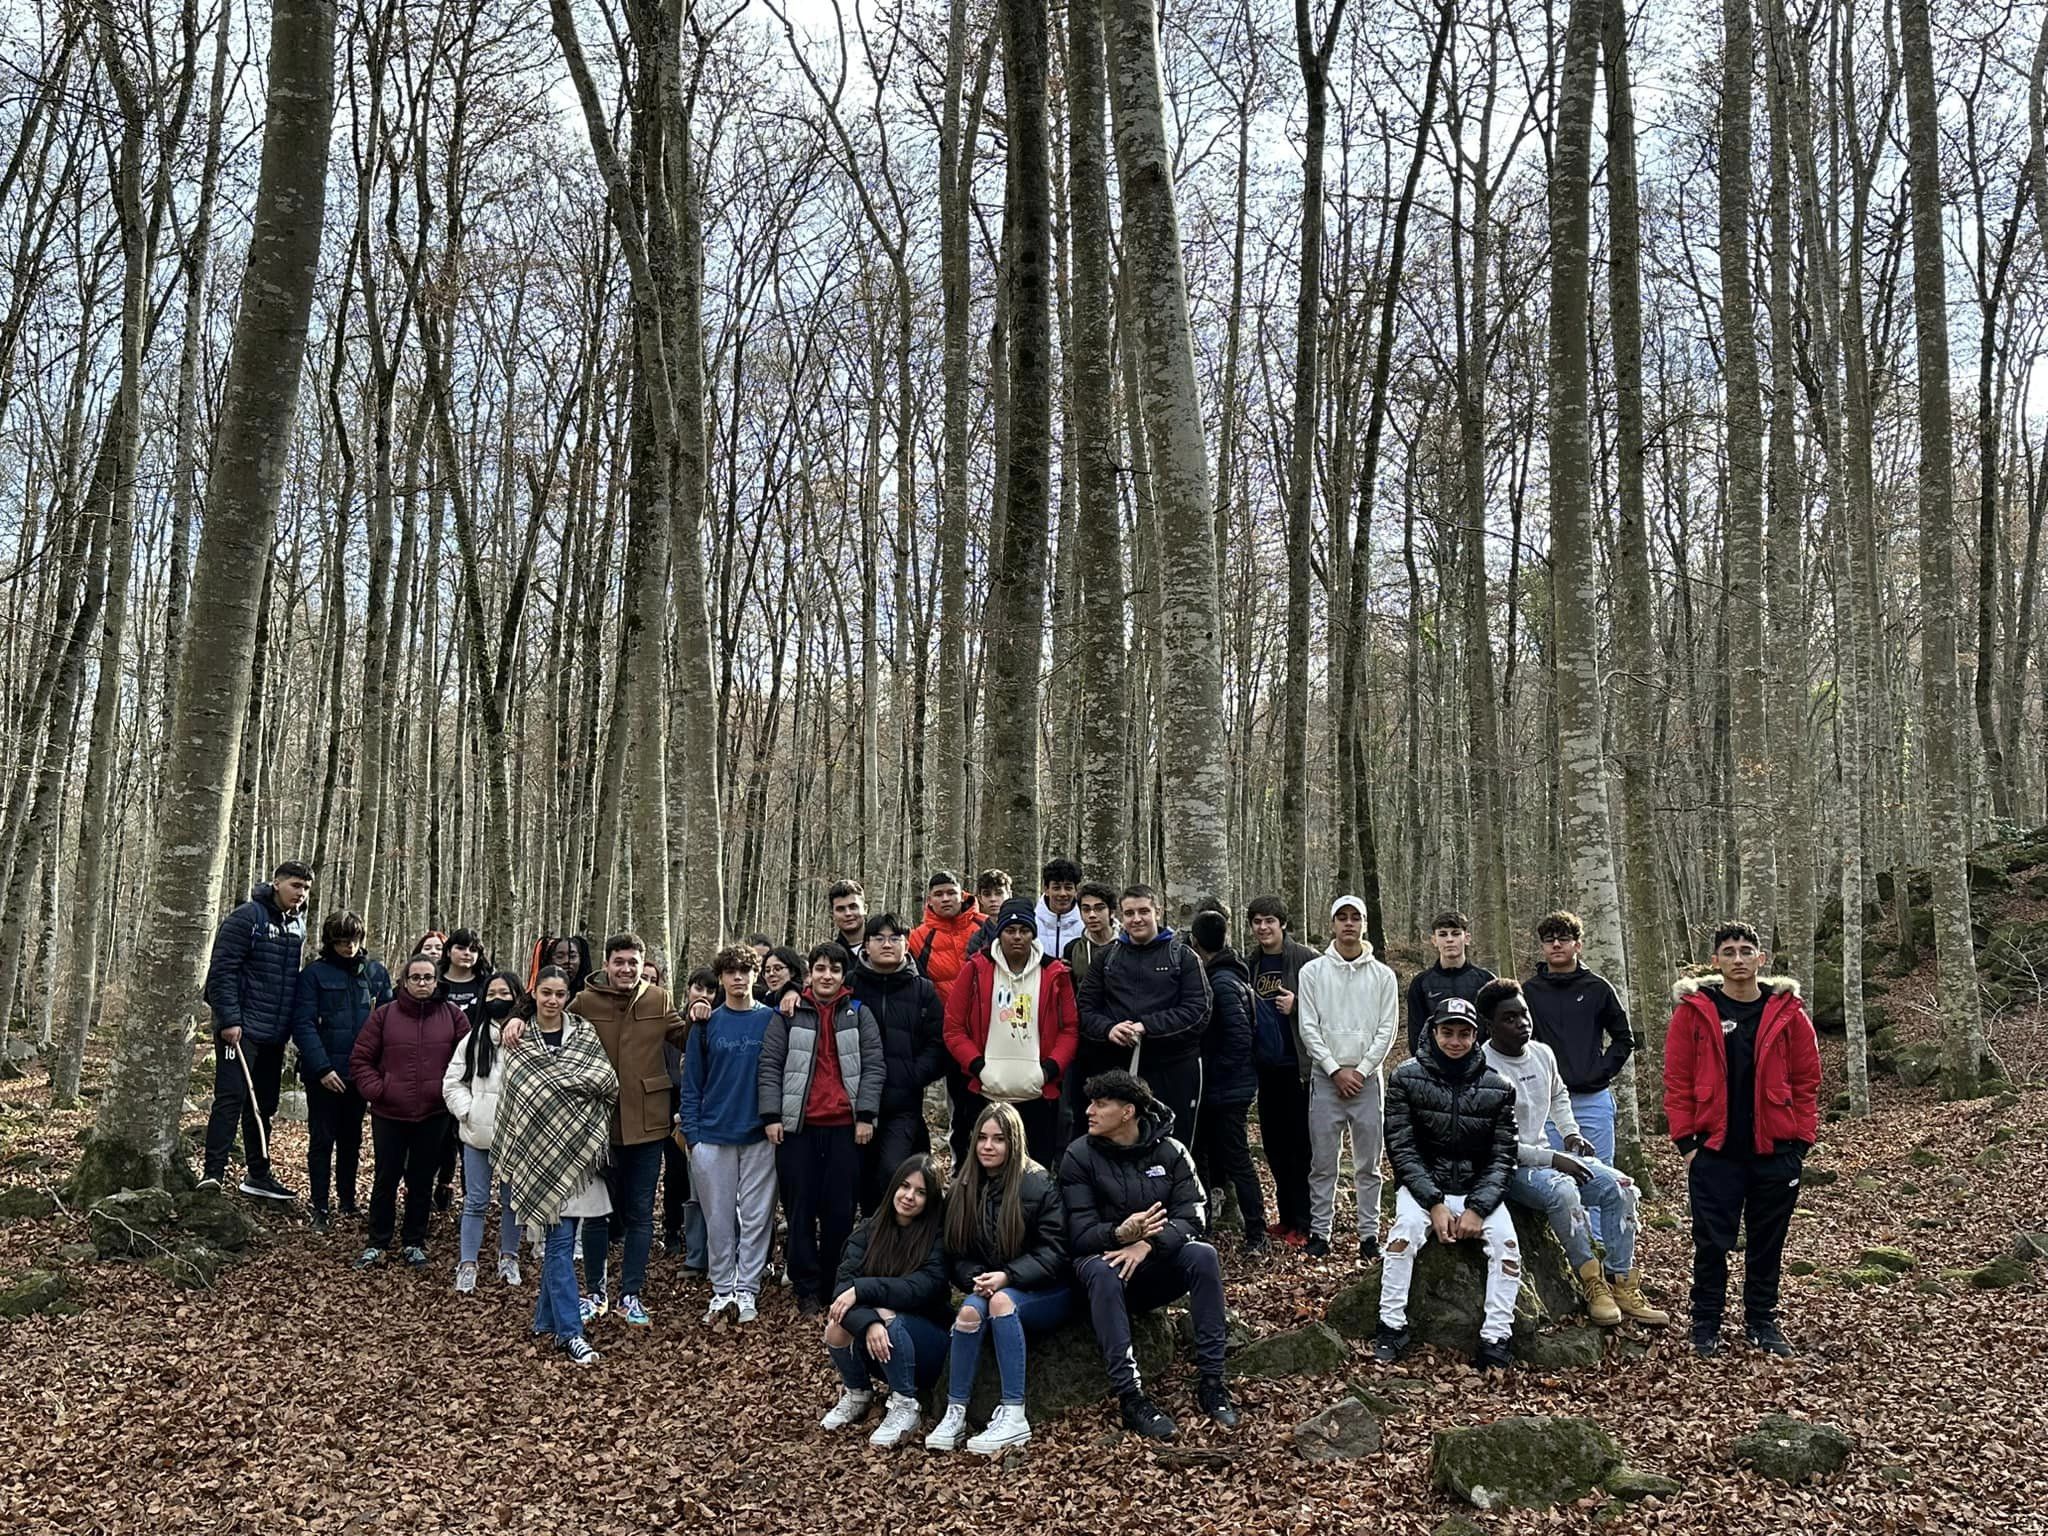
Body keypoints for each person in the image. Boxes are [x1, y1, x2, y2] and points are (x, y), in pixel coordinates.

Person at [1664, 922, 1820, 1358]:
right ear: (1715, 960)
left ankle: (1761, 1321)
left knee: (1768, 1242)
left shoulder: (1787, 1011)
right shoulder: (1695, 1011)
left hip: (1776, 1150)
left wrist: (1801, 1140)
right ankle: (1706, 1323)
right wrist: (1688, 1144)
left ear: (1760, 959)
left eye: (1746, 950)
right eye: (1729, 951)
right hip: (1714, 1150)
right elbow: (1677, 1081)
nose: (1738, 958)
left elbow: (1807, 1080)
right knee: (1711, 1242)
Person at [1478, 978, 1667, 1328]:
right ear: (1489, 1025)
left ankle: (1622, 1280)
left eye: (1524, 1014)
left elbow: (1558, 1095)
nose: (1522, 1023)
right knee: (1563, 1191)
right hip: (1504, 1168)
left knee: (1621, 1187)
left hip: (1546, 1156)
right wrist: (1554, 1160)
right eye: (1509, 1018)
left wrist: (1571, 1134)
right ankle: (1591, 1280)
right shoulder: (1482, 1068)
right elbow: (1497, 1144)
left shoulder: (1542, 1053)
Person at [1061, 1070, 1235, 1439]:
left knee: (1203, 1255)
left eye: (1100, 1104)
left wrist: (1146, 1244)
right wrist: (1119, 1234)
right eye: (1091, 1103)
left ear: (1128, 1112)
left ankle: (1212, 1381)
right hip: (1102, 1270)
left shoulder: (1172, 1152)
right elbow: (1077, 1234)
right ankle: (1131, 1396)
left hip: (1154, 1261)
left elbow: (1194, 1215)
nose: (1089, 1111)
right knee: (1102, 1270)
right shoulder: (1078, 1155)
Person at [1374, 997, 1519, 1371]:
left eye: (1464, 1034)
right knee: (1403, 1235)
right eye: (1447, 1032)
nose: (1455, 1041)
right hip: (1423, 1186)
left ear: (1475, 1035)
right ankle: (1390, 1326)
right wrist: (1434, 1202)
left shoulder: (1499, 1086)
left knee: (1507, 1248)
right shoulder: (1405, 1078)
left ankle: (1496, 1338)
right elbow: (1401, 1149)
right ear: (1433, 1032)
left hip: (1477, 1188)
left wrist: (1478, 1208)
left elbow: (1504, 1157)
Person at [926, 1101, 1072, 1455]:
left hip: (1045, 1289)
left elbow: (1055, 1252)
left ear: (1014, 1142)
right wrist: (975, 1277)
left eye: (998, 1139)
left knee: (1002, 1303)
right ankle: (955, 1412)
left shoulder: (1038, 1183)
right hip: (991, 1286)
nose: (988, 1146)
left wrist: (1008, 1276)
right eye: (982, 1138)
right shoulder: (965, 1184)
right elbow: (954, 1252)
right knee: (968, 1313)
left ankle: (1014, 1414)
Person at [497, 966, 617, 1366]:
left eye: (560, 994)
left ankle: (546, 1320)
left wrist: (555, 1085)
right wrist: (567, 1086)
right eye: (546, 993)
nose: (553, 1000)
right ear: (535, 993)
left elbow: (606, 1080)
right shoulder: (518, 1038)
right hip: (537, 1159)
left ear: (568, 996)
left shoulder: (584, 1033)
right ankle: (571, 1333)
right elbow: (517, 1095)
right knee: (561, 1243)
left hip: (580, 1156)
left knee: (560, 1243)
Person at [759, 942, 885, 1316]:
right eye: (820, 968)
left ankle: (834, 1282)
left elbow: (874, 1065)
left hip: (846, 1128)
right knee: (799, 1209)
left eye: (834, 969)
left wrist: (865, 1115)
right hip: (798, 1128)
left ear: (844, 975)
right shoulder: (789, 1013)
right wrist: (772, 1116)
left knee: (840, 1210)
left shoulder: (859, 1013)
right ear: (809, 973)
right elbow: (770, 1064)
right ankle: (806, 1286)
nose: (827, 976)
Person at [568, 933, 687, 1328]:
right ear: (606, 964)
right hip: (596, 1125)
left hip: (648, 1124)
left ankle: (630, 1294)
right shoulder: (584, 1002)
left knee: (640, 1213)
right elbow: (551, 1026)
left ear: (643, 963)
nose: (626, 969)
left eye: (633, 962)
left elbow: (686, 1037)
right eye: (619, 961)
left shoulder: (659, 1000)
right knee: (596, 1214)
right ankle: (595, 1293)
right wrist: (518, 1016)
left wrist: (703, 1010)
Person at [820, 1154, 952, 1447]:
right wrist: (870, 1322)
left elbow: (919, 1289)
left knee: (885, 1313)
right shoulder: (869, 1230)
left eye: (920, 1192)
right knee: (836, 1326)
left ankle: (906, 1404)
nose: (909, 1196)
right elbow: (842, 1291)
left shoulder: (937, 1237)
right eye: (904, 1186)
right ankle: (858, 1392)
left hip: (929, 1344)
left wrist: (862, 1291)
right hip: (881, 1340)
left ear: (930, 1199)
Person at [1294, 894, 1398, 1261]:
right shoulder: (1312, 973)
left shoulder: (1383, 976)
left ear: (1365, 924)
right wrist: (1334, 1069)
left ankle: (1369, 1235)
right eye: (1343, 917)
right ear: (1333, 924)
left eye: (1356, 917)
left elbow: (1387, 1030)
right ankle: (1320, 1233)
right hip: (1326, 1079)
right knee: (1324, 1163)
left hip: (1368, 1081)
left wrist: (1362, 1069)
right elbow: (1308, 1027)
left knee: (1369, 1164)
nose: (1349, 923)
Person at [349, 952, 469, 1269]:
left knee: (422, 1180)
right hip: (389, 1113)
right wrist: (379, 1090)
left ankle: (414, 1242)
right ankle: (377, 1242)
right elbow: (360, 1060)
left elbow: (467, 1061)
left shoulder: (453, 1017)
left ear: (437, 981)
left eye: (428, 977)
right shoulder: (384, 1016)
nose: (422, 983)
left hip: (433, 1113)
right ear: (404, 981)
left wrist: (449, 1096)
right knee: (385, 1178)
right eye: (415, 977)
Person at [201, 860, 313, 1198]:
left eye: (306, 888)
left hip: (274, 1033)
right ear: (277, 883)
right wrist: (229, 1020)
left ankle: (258, 1175)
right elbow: (221, 972)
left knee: (264, 1104)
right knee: (231, 1097)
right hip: (241, 1030)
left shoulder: (297, 925)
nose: (301, 893)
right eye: (295, 885)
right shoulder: (247, 918)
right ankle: (213, 1173)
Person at [943, 898, 1079, 1170]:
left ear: (1033, 933)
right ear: (999, 933)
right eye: (1010, 930)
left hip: (1038, 1094)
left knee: (1034, 1172)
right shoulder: (975, 968)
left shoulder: (1054, 973)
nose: (1017, 937)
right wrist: (978, 1067)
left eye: (1024, 930)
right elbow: (953, 1028)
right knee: (984, 1171)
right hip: (985, 1093)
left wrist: (1049, 1070)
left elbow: (1070, 1029)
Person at [1075, 885, 1210, 1148]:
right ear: (1120, 916)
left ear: (1158, 912)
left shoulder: (1183, 957)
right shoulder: (1106, 958)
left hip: (1172, 1069)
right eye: (1129, 913)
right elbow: (1084, 1010)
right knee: (1115, 1145)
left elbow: (1198, 1011)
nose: (1136, 919)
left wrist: (1147, 1027)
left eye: (1143, 911)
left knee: (1171, 1145)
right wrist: (1108, 1029)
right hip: (1116, 1071)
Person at [683, 946, 778, 1324]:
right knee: (719, 1219)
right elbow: (692, 1083)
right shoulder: (706, 1023)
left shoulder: (771, 1019)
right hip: (712, 1135)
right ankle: (722, 1289)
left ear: (756, 975)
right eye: (730, 972)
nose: (738, 977)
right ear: (721, 978)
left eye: (745, 970)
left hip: (760, 1135)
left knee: (757, 1218)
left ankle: (747, 1288)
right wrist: (693, 1136)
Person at [1523, 911, 1634, 1215]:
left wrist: (1599, 1072)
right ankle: (1569, 1243)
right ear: (1542, 947)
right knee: (1552, 1179)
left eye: (1564, 939)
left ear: (1578, 945)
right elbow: (1518, 1043)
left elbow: (1624, 1039)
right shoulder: (1530, 992)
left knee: (1602, 1177)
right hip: (1547, 1103)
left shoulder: (1597, 988)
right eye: (1549, 940)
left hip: (1593, 1100)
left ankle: (1602, 1244)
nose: (1556, 945)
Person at [290, 910, 392, 1230]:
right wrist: (322, 1068)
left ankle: (347, 1201)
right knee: (322, 1140)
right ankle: (319, 1206)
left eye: (354, 940)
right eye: (342, 941)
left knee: (352, 1140)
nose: (349, 947)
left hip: (360, 1073)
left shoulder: (375, 973)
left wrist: (376, 1070)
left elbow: (388, 1024)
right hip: (322, 1075)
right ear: (330, 941)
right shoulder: (313, 975)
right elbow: (303, 1024)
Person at [849, 912, 947, 1212]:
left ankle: (899, 1235)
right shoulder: (850, 985)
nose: (887, 944)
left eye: (895, 938)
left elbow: (938, 1044)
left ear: (906, 944)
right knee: (860, 1179)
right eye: (878, 938)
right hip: (853, 1103)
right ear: (866, 946)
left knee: (894, 1173)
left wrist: (912, 1076)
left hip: (902, 1105)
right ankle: (870, 1234)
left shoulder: (923, 989)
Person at [1188, 907, 1267, 1256]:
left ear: (1195, 942)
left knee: (1236, 1158)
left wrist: (1212, 1071)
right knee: (1202, 1156)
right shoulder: (1230, 975)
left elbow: (1238, 1038)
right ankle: (1203, 1224)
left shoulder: (1221, 982)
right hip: (1219, 1086)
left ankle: (1256, 1232)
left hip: (1227, 1088)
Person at [442, 970, 526, 1292]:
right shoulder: (473, 1039)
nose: (497, 999)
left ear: (516, 997)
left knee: (512, 1202)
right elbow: (453, 1082)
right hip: (477, 1137)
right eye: (491, 994)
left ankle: (509, 1257)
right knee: (475, 1201)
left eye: (504, 993)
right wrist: (469, 1112)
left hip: (517, 1138)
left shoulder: (529, 1037)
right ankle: (467, 1263)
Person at [1245, 895, 1318, 1246]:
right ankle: (1286, 1216)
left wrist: (1297, 1005)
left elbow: (1329, 1008)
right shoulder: (1251, 963)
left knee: (1300, 1148)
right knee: (1274, 1146)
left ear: (1283, 924)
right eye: (1257, 922)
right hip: (1266, 1069)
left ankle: (1305, 1221)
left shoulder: (1307, 960)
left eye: (1269, 921)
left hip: (1299, 1069)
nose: (1263, 928)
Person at [910, 870, 984, 1161]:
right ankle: (960, 1167)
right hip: (949, 1036)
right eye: (938, 894)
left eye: (951, 893)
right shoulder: (919, 938)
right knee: (960, 1107)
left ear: (961, 893)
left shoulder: (984, 926)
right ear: (929, 900)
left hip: (989, 1031)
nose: (945, 899)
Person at [1056, 881, 1122, 1155]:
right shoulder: (1074, 948)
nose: (1092, 915)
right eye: (1086, 909)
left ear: (1111, 911)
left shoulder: (1125, 945)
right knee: (1080, 1108)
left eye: (1099, 908)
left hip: (1119, 1040)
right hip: (1083, 1040)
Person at [662, 967, 717, 1269]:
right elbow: (669, 1061)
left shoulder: (719, 1022)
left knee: (707, 1184)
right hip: (675, 1109)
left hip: (710, 1113)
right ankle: (672, 1230)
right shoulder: (675, 1024)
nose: (704, 995)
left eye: (710, 990)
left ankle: (708, 1247)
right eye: (699, 988)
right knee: (676, 1177)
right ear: (688, 990)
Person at [433, 929, 491, 1211]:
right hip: (434, 1069)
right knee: (436, 1139)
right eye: (461, 948)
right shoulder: (433, 981)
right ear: (449, 951)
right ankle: (432, 1191)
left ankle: (472, 1202)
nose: (467, 954)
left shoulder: (485, 986)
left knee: (470, 1138)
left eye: (473, 949)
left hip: (475, 1072)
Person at [1406, 911, 1496, 1056]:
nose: (1449, 940)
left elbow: (1496, 1027)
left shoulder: (1486, 980)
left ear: (1467, 938)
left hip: (1481, 1061)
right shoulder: (1421, 983)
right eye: (1443, 934)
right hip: (1435, 1063)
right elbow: (1416, 1032)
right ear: (1434, 940)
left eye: (1455, 934)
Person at [1034, 858, 1085, 961]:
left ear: (1076, 890)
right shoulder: (1032, 922)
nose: (1063, 894)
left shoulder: (1085, 922)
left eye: (1068, 888)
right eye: (1056, 888)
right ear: (1046, 889)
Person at [527, 934, 592, 999]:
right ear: (549, 961)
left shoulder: (589, 998)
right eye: (560, 957)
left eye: (572, 956)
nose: (566, 961)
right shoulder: (531, 1001)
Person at [827, 878, 868, 956]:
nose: (848, 913)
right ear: (832, 914)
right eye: (840, 909)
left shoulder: (883, 948)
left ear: (865, 909)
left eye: (853, 907)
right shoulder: (830, 956)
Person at [757, 945, 806, 1009]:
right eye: (767, 970)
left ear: (792, 972)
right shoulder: (761, 1001)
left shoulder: (800, 1001)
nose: (771, 974)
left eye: (777, 969)